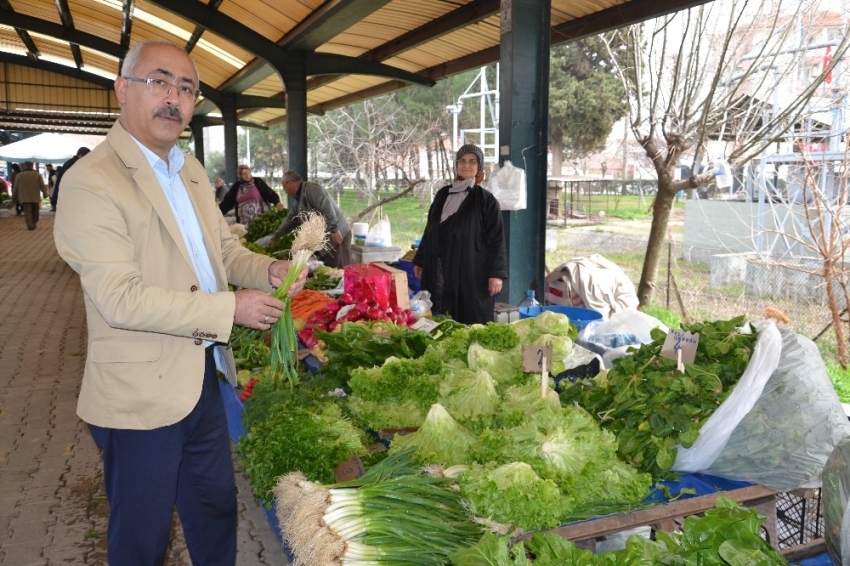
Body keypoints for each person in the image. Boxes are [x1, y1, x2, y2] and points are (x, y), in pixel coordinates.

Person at [53, 38, 307, 565]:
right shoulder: (91, 182)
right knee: (143, 535)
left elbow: (222, 250)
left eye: (187, 88)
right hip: (140, 394)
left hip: (203, 381)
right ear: (122, 89)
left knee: (215, 511)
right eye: (159, 81)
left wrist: (269, 269)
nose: (174, 97)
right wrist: (228, 310)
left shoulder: (188, 171)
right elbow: (120, 299)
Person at [412, 144, 507, 325]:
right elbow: (431, 228)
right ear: (456, 165)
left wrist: (497, 274)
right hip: (438, 267)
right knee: (438, 311)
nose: (466, 165)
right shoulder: (443, 194)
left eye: (472, 162)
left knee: (467, 316)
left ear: (479, 167)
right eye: (462, 161)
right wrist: (421, 259)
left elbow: (496, 239)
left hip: (470, 270)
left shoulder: (485, 200)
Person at [270, 170, 351, 268]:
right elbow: (289, 221)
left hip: (337, 235)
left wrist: (333, 229)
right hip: (326, 238)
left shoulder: (312, 189)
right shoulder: (298, 201)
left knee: (338, 270)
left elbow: (327, 207)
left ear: (290, 183)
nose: (285, 190)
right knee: (329, 270)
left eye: (284, 187)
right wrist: (276, 237)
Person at [218, 164, 282, 225]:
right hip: (243, 221)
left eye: (248, 172)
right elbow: (228, 201)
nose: (247, 175)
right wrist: (218, 212)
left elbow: (269, 193)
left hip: (261, 218)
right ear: (240, 175)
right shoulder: (237, 186)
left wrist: (277, 202)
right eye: (244, 174)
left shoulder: (258, 181)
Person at [12, 161, 48, 230]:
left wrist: (14, 198)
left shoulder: (19, 175)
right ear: (32, 166)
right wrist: (45, 194)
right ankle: (33, 223)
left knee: (27, 211)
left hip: (24, 196)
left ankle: (30, 224)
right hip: (35, 196)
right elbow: (42, 186)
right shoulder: (37, 175)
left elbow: (15, 187)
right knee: (35, 212)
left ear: (24, 166)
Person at [52, 146, 91, 211]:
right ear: (80, 155)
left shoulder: (70, 162)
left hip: (63, 196)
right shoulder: (74, 164)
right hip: (66, 197)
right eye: (87, 157)